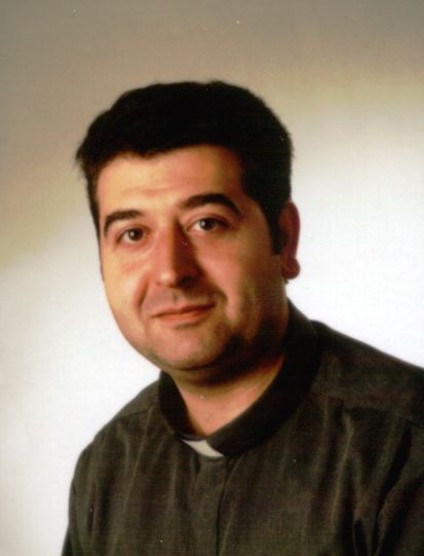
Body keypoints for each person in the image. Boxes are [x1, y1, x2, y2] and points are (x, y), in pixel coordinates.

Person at [62, 81, 424, 556]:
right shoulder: (108, 465)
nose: (171, 270)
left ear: (284, 239)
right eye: (133, 234)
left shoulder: (404, 447)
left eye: (206, 224)